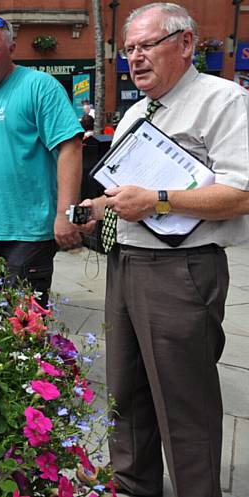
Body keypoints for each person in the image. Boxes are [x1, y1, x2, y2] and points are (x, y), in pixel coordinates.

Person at [79, 4, 249, 497]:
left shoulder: (223, 101)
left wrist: (157, 200)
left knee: (184, 403)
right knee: (126, 394)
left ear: (186, 44)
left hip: (181, 272)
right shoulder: (136, 110)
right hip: (125, 262)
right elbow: (128, 191)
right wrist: (102, 205)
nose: (135, 58)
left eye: (146, 45)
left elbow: (241, 194)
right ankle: (132, 486)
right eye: (129, 49)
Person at [0, 16, 83, 306]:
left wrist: (65, 214)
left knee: (24, 325)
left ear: (12, 47)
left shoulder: (40, 87)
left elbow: (71, 148)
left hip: (29, 231)